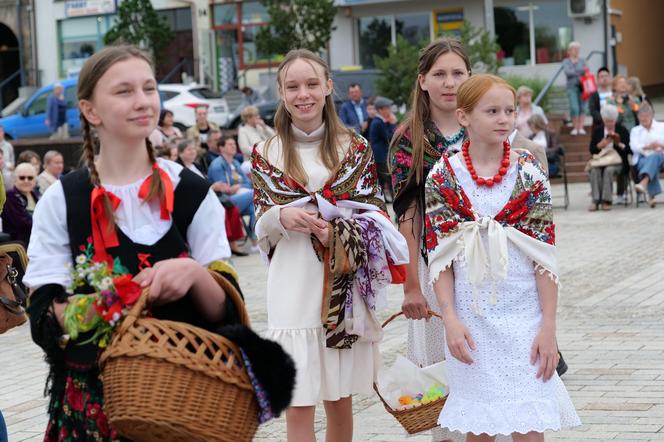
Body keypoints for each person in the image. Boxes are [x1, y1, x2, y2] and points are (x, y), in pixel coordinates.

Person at [23, 45, 247, 441]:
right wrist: (110, 302)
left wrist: (194, 275)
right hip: (91, 409)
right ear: (91, 111)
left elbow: (227, 311)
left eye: (148, 88)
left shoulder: (191, 191)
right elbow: (43, 315)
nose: (143, 101)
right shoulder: (64, 200)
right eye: (124, 91)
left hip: (182, 403)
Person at [251, 48, 407, 442]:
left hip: (341, 284)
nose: (303, 94)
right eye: (293, 86)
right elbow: (260, 222)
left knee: (339, 400)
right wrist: (281, 217)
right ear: (282, 93)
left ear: (328, 87)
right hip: (292, 282)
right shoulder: (265, 153)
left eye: (311, 84)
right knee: (298, 402)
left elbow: (375, 211)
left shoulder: (354, 149)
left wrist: (335, 229)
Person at [425, 73, 580, 440]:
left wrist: (548, 327)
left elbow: (544, 258)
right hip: (471, 317)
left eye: (509, 111)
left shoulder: (529, 175)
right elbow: (440, 258)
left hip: (525, 315)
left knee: (529, 426)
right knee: (480, 428)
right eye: (491, 111)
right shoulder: (444, 177)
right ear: (463, 117)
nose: (504, 119)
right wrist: (449, 318)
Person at [389, 37, 471, 442]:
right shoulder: (410, 138)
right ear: (422, 81)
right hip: (434, 263)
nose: (449, 82)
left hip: (485, 266)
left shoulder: (485, 122)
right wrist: (411, 283)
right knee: (443, 370)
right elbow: (408, 215)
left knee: (486, 363)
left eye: (458, 73)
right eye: (439, 74)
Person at [208, 137, 256, 247]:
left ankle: (255, 241)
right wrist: (235, 188)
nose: (234, 146)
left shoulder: (235, 162)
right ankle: (254, 238)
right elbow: (224, 188)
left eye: (234, 144)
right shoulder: (217, 165)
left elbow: (248, 182)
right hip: (226, 200)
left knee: (256, 208)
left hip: (242, 196)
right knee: (256, 195)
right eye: (230, 144)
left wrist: (238, 186)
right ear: (221, 148)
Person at [587, 104, 630, 211]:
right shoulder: (598, 130)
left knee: (608, 171)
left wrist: (619, 144)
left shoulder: (622, 129)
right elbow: (592, 149)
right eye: (607, 121)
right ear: (603, 120)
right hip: (601, 160)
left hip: (617, 161)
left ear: (615, 120)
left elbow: (629, 149)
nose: (609, 124)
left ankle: (607, 200)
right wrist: (600, 145)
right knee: (594, 170)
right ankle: (595, 200)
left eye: (611, 121)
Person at [631, 103, 664, 208]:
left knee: (656, 156)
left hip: (661, 157)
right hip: (642, 159)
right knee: (652, 161)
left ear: (651, 116)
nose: (643, 119)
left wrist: (660, 145)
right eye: (641, 117)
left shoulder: (661, 127)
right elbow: (634, 147)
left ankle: (644, 184)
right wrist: (647, 147)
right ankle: (651, 197)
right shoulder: (635, 130)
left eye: (646, 116)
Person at [1, 162, 39, 243]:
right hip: (18, 244)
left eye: (30, 178)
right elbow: (23, 224)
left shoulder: (36, 195)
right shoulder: (10, 197)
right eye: (22, 178)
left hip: (36, 239)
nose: (26, 181)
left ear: (35, 179)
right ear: (15, 179)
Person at [368, 96, 396, 201]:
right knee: (388, 178)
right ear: (381, 110)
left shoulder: (379, 121)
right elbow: (389, 137)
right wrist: (392, 124)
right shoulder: (378, 122)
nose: (389, 110)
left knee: (382, 180)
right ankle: (393, 199)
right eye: (387, 108)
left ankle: (384, 199)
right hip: (381, 156)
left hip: (380, 155)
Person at [562, 41, 587, 136]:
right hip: (571, 87)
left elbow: (586, 70)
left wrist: (575, 71)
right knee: (574, 107)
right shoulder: (566, 61)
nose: (577, 51)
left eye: (578, 49)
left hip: (583, 87)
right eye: (574, 49)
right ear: (569, 51)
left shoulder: (582, 60)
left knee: (582, 107)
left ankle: (581, 127)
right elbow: (568, 72)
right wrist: (580, 71)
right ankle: (575, 127)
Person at [528, 113, 564, 178]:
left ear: (536, 124)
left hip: (549, 162)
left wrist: (541, 152)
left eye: (531, 124)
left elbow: (555, 149)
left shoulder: (550, 134)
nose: (529, 127)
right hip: (535, 164)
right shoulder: (531, 137)